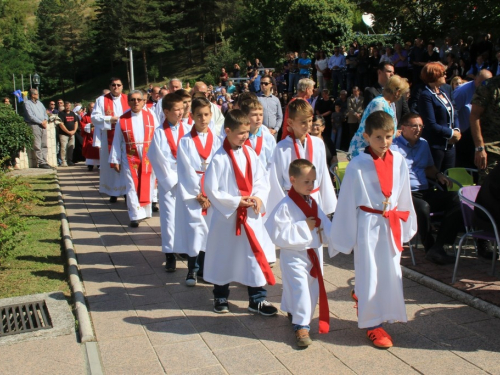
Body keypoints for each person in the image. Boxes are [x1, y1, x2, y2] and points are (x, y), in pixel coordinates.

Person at [330, 111, 417, 348]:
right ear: (367, 136)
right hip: (368, 224)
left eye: (388, 137)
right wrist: (344, 236)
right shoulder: (358, 164)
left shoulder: (398, 159)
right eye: (378, 137)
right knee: (370, 272)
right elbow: (347, 200)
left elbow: (403, 194)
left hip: (390, 224)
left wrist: (406, 224)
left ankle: (382, 310)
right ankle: (372, 324)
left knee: (390, 271)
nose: (384, 143)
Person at [203, 109, 278, 315]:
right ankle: (220, 296)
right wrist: (236, 201)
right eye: (240, 132)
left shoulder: (250, 153)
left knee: (253, 256)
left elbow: (262, 179)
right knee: (224, 256)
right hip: (227, 219)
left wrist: (258, 198)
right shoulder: (219, 158)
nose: (245, 136)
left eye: (247, 132)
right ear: (227, 131)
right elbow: (211, 188)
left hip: (250, 217)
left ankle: (257, 299)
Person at [265, 159, 334, 347]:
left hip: (314, 252)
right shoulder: (285, 206)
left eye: (313, 181)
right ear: (293, 180)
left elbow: (326, 226)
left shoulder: (313, 202)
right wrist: (304, 226)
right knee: (300, 288)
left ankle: (290, 309)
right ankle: (301, 326)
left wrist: (336, 237)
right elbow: (276, 233)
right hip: (294, 254)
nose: (311, 185)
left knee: (309, 288)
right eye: (306, 181)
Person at [392, 113, 462, 264]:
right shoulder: (393, 147)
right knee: (423, 207)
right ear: (403, 128)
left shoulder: (423, 143)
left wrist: (438, 175)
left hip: (425, 190)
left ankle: (439, 245)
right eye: (414, 126)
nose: (418, 129)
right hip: (406, 194)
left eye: (420, 126)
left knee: (457, 198)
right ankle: (429, 245)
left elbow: (429, 167)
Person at [175, 97, 222, 286]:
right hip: (194, 195)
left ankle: (206, 269)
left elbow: (220, 168)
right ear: (191, 116)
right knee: (195, 230)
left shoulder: (218, 140)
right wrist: (199, 194)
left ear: (211, 115)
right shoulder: (185, 141)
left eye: (206, 115)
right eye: (199, 115)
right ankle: (192, 269)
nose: (203, 119)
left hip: (211, 193)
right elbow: (184, 169)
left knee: (210, 231)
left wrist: (210, 192)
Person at [269, 99, 337, 217]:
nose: (308, 125)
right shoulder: (281, 148)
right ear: (290, 122)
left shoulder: (318, 144)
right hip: (291, 202)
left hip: (314, 199)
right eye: (303, 122)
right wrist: (280, 208)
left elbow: (323, 173)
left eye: (310, 121)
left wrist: (328, 205)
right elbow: (276, 180)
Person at [148, 93, 193, 271]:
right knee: (169, 216)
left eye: (182, 109)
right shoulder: (159, 132)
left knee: (183, 215)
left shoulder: (188, 129)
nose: (180, 113)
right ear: (166, 112)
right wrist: (172, 179)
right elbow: (158, 157)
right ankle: (169, 253)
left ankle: (181, 248)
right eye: (176, 110)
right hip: (170, 181)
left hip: (186, 179)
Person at [109, 90, 158, 227]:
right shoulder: (123, 119)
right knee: (131, 185)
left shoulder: (151, 116)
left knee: (147, 182)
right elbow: (117, 140)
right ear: (128, 102)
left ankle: (146, 211)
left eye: (138, 99)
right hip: (130, 155)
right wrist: (115, 159)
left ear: (143, 101)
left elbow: (157, 135)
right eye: (132, 100)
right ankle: (134, 215)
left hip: (148, 153)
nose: (135, 102)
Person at [349, 75, 410, 158]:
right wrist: (394, 134)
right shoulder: (379, 104)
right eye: (402, 94)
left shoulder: (386, 102)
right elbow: (378, 131)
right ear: (397, 92)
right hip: (365, 152)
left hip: (374, 150)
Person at [91, 77, 129, 202]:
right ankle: (113, 192)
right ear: (110, 86)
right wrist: (110, 119)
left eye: (119, 85)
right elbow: (95, 117)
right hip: (109, 136)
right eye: (113, 85)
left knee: (124, 163)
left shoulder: (128, 99)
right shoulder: (102, 100)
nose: (116, 87)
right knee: (111, 164)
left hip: (125, 137)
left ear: (122, 86)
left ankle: (125, 191)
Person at [418, 62, 461, 172]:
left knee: (449, 180)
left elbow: (454, 112)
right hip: (436, 146)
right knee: (435, 180)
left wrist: (456, 129)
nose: (446, 76)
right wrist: (451, 133)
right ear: (434, 75)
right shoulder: (425, 95)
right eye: (443, 73)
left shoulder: (445, 91)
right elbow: (430, 124)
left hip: (450, 146)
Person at [453, 69, 492, 169]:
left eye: (487, 83)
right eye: (481, 82)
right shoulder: (462, 91)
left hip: (483, 131)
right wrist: (457, 129)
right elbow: (453, 111)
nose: (484, 85)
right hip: (465, 132)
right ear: (475, 79)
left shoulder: (489, 90)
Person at [469, 73, 500, 179]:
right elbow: (474, 115)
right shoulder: (489, 86)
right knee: (489, 191)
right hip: (492, 151)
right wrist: (479, 147)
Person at [23, 89, 51, 169]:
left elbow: (45, 113)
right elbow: (30, 116)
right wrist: (40, 122)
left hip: (43, 125)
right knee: (37, 144)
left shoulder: (40, 103)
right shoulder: (27, 104)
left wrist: (45, 120)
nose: (38, 95)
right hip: (34, 125)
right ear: (32, 95)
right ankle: (41, 162)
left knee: (44, 144)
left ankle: (45, 161)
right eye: (36, 94)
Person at [57, 101, 79, 167]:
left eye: (69, 105)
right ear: (64, 106)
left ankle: (70, 160)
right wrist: (68, 132)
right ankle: (63, 161)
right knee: (64, 148)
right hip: (63, 134)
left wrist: (74, 131)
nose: (68, 107)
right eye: (67, 105)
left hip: (72, 134)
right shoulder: (61, 114)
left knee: (71, 147)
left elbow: (76, 122)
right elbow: (61, 124)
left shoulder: (73, 113)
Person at [80, 102, 100, 171]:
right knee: (90, 151)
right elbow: (82, 126)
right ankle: (90, 165)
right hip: (89, 138)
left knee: (98, 151)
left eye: (94, 107)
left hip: (98, 137)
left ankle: (99, 165)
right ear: (89, 108)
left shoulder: (99, 116)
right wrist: (90, 125)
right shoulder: (85, 117)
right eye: (91, 107)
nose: (93, 108)